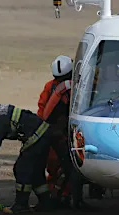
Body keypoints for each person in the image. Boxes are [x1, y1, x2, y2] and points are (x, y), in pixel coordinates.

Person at [37, 55, 74, 207]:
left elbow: (42, 110)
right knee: (59, 167)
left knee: (59, 167)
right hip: (59, 133)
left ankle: (57, 196)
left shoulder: (51, 87)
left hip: (55, 132)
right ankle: (57, 196)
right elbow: (43, 111)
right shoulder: (62, 88)